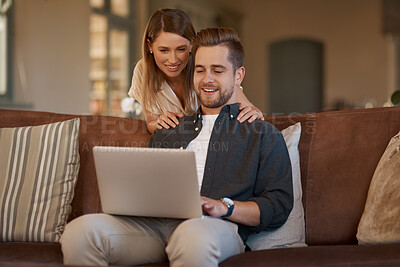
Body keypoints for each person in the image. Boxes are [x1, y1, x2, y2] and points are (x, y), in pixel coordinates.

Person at [60, 27, 293, 267]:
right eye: (200, 70)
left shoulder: (261, 133)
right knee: (80, 232)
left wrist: (224, 206)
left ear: (238, 76)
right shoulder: (170, 128)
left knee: (192, 237)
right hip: (153, 229)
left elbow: (278, 205)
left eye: (218, 70)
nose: (207, 79)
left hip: (213, 228)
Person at [129, 8, 264, 133]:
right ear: (150, 46)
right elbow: (151, 122)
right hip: (178, 146)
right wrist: (159, 122)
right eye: (164, 50)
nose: (173, 60)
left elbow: (247, 107)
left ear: (191, 45)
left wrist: (254, 112)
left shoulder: (203, 65)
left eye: (181, 49)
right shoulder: (143, 71)